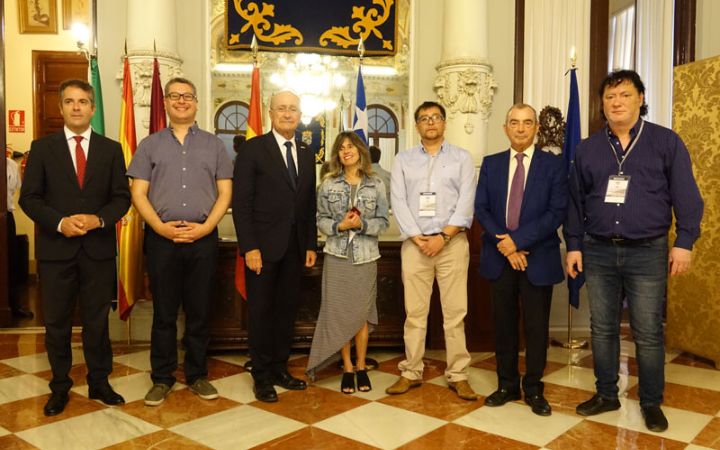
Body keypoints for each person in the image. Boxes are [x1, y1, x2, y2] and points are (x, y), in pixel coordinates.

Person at [565, 70, 703, 432]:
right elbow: (575, 202)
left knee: (647, 331)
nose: (617, 103)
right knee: (603, 328)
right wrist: (574, 246)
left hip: (648, 251)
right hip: (598, 250)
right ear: (602, 104)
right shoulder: (588, 148)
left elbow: (687, 196)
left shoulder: (665, 142)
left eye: (625, 95)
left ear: (641, 98)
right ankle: (606, 394)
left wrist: (684, 242)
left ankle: (651, 402)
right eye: (610, 97)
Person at [19, 79, 130, 416]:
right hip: (56, 252)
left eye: (83, 101)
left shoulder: (111, 149)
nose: (77, 107)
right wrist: (60, 222)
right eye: (70, 101)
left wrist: (98, 220)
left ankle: (99, 382)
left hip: (97, 250)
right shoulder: (42, 148)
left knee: (97, 322)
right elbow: (29, 198)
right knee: (57, 323)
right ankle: (59, 386)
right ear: (61, 108)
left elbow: (121, 199)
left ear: (93, 108)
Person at [127, 77, 233, 406]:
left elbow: (226, 193)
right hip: (162, 240)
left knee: (200, 312)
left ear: (197, 103)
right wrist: (160, 227)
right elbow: (137, 193)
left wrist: (204, 229)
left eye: (188, 96)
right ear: (167, 103)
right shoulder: (149, 145)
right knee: (164, 313)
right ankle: (162, 378)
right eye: (175, 96)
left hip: (203, 238)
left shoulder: (215, 145)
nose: (182, 101)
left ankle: (197, 375)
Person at [474, 104, 567, 416]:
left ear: (537, 128)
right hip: (500, 257)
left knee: (537, 328)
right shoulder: (491, 164)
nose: (521, 128)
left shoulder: (553, 166)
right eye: (514, 122)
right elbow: (482, 208)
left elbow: (556, 212)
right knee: (504, 325)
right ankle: (507, 385)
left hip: (537, 258)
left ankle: (534, 388)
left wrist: (519, 241)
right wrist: (508, 245)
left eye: (527, 123)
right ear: (505, 128)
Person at [386, 101, 478, 401]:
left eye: (435, 117)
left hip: (452, 244)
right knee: (415, 313)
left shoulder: (462, 158)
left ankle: (458, 374)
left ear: (444, 123)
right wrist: (417, 237)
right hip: (415, 246)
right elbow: (398, 201)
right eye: (424, 119)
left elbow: (466, 201)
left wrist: (444, 237)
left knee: (455, 313)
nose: (430, 123)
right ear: (417, 126)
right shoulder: (403, 159)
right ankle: (411, 371)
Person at [233, 90, 318, 403]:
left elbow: (308, 204)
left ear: (300, 115)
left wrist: (310, 243)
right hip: (262, 250)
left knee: (286, 312)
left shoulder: (308, 153)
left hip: (295, 250)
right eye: (281, 109)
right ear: (270, 112)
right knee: (261, 313)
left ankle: (281, 369)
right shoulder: (253, 150)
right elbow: (242, 203)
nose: (287, 114)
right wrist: (250, 247)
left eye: (293, 109)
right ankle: (262, 375)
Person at [306, 131, 389, 393]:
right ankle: (347, 367)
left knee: (361, 315)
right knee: (340, 314)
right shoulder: (328, 184)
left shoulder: (376, 184)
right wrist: (339, 225)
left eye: (350, 146)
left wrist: (362, 224)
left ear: (360, 151)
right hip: (337, 257)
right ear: (337, 154)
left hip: (365, 257)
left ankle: (361, 365)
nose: (346, 151)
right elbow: (318, 219)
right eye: (341, 148)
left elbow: (383, 221)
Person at [6, 154, 33, 318]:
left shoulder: (10, 165)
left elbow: (15, 191)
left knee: (11, 261)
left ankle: (13, 306)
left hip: (6, 216)